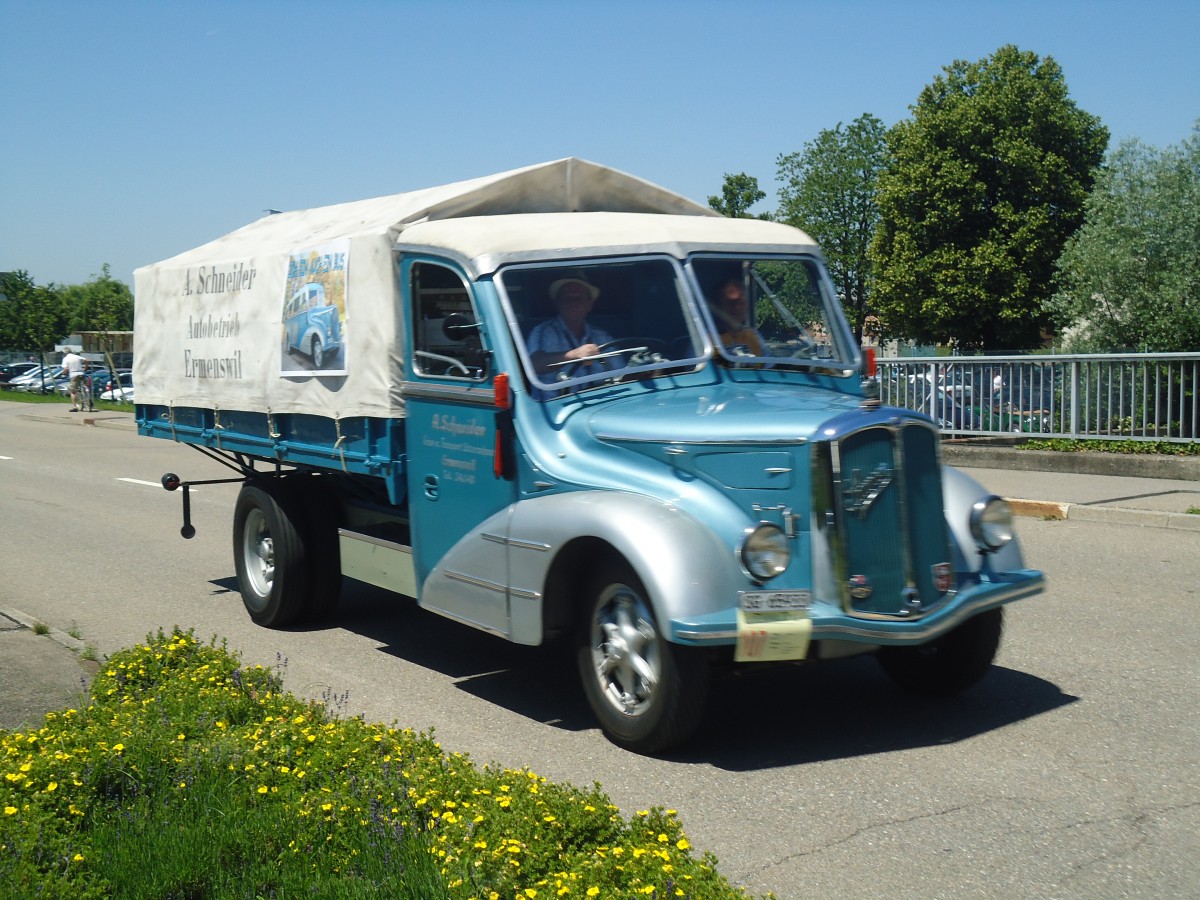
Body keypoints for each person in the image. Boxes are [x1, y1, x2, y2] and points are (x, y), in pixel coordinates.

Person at [527, 277, 618, 375]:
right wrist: (574, 354)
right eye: (568, 299)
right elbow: (533, 365)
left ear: (589, 305)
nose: (573, 304)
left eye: (578, 299)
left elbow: (620, 373)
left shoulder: (602, 336)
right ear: (558, 303)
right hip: (559, 390)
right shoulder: (543, 332)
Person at [709, 279, 764, 356]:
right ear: (717, 306)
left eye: (740, 302)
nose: (736, 307)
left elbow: (770, 365)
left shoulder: (753, 336)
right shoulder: (704, 342)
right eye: (728, 302)